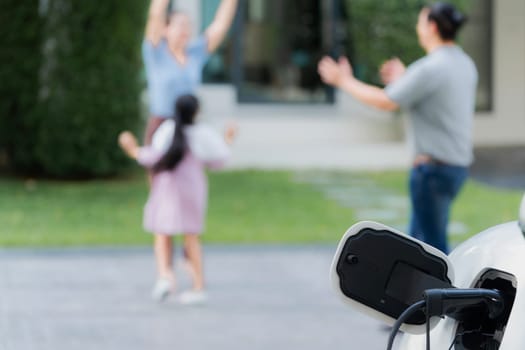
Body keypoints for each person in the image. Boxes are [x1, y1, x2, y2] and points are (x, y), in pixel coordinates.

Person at [318, 2, 478, 254]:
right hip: (455, 168)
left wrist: (343, 81)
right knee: (417, 245)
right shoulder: (464, 63)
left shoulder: (430, 68)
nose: (417, 27)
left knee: (432, 252)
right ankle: (418, 292)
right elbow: (436, 98)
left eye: (420, 21)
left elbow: (386, 101)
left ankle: (445, 293)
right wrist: (405, 78)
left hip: (432, 172)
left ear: (432, 27)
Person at [119, 95, 236, 303]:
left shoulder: (167, 131)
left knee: (162, 233)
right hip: (192, 188)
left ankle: (165, 275)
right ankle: (198, 285)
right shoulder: (203, 134)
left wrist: (132, 150)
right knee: (191, 237)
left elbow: (151, 156)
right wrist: (228, 139)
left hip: (167, 189)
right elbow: (218, 160)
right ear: (196, 112)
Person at [143, 0, 238, 145]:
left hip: (188, 126)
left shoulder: (195, 53)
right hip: (161, 124)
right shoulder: (156, 53)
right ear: (165, 29)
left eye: (188, 25)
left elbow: (221, 25)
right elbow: (156, 15)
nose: (185, 29)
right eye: (180, 25)